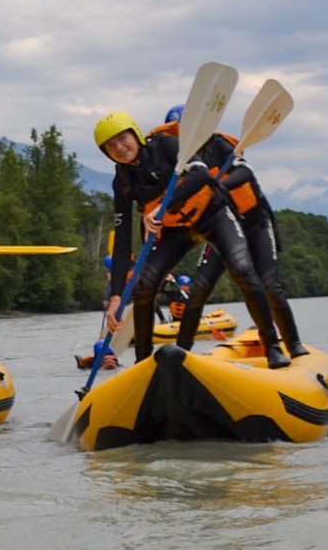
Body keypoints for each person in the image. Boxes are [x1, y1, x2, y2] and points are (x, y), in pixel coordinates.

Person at [95, 106, 291, 369]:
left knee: (243, 270)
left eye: (122, 139)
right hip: (177, 231)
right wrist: (117, 295)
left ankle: (273, 347)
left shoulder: (165, 145)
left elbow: (200, 175)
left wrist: (163, 204)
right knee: (143, 285)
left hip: (214, 216)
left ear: (136, 135)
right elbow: (121, 240)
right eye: (110, 146)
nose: (119, 147)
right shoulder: (122, 182)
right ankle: (143, 363)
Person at [175, 125, 308, 359]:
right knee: (198, 290)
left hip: (254, 224)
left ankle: (289, 345)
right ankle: (180, 353)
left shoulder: (221, 145)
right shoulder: (178, 159)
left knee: (269, 286)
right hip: (222, 229)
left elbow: (245, 173)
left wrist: (215, 185)